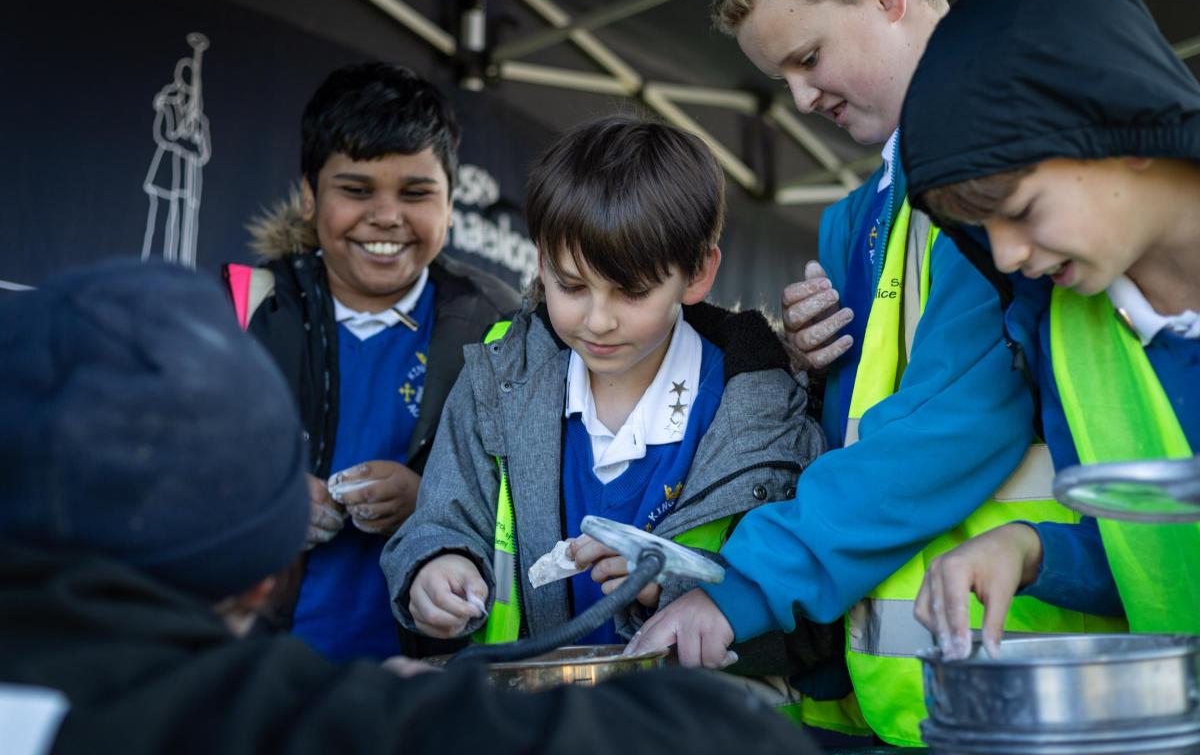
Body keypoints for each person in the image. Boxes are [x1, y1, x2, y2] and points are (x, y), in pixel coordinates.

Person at [0, 259, 825, 755]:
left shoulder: (762, 397)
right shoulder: (267, 725)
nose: (599, 318)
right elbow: (732, 739)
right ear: (258, 579)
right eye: (572, 284)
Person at [629, 0, 1122, 747]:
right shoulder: (854, 217)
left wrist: (749, 584)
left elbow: (957, 417)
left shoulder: (1000, 173)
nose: (799, 97)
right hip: (881, 684)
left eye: (808, 57)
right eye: (779, 75)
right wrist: (815, 369)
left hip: (1028, 676)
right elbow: (870, 422)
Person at [380, 116, 827, 684]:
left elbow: (810, 621)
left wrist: (677, 588)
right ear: (540, 262)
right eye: (570, 285)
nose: (597, 320)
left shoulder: (767, 409)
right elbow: (441, 519)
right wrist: (436, 566)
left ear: (698, 274)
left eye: (632, 291)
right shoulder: (492, 383)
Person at [900, 0, 1200, 656]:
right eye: (982, 231)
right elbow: (1147, 558)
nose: (1004, 258)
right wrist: (1030, 549)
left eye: (1022, 210)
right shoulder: (1063, 332)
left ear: (1123, 129)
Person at [223, 62, 520, 661]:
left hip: (421, 682)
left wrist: (432, 502)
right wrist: (263, 497)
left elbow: (538, 500)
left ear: (451, 203)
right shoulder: (244, 306)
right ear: (309, 196)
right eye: (356, 190)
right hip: (258, 672)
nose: (386, 215)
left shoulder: (502, 323)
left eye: (415, 193)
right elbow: (172, 474)